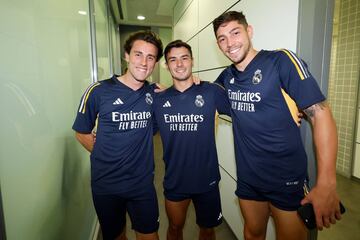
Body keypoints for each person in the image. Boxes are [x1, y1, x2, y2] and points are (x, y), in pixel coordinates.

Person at [212, 11, 341, 240]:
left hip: (286, 179)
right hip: (249, 179)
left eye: (235, 32)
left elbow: (321, 114)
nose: (230, 43)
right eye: (222, 38)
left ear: (249, 31)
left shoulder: (280, 60)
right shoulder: (226, 77)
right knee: (252, 234)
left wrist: (327, 183)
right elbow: (203, 96)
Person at [72, 30, 163, 240]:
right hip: (107, 185)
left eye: (150, 57)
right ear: (126, 55)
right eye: (138, 54)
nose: (144, 62)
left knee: (150, 235)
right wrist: (107, 154)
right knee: (116, 236)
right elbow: (81, 132)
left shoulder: (155, 93)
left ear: (155, 63)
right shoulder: (98, 91)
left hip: (142, 185)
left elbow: (161, 120)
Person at [152, 40, 230, 240]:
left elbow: (246, 108)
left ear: (192, 61)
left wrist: (289, 109)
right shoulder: (158, 100)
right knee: (175, 228)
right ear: (167, 65)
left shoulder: (211, 92)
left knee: (207, 230)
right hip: (176, 181)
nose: (179, 64)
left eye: (184, 58)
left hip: (207, 180)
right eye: (173, 60)